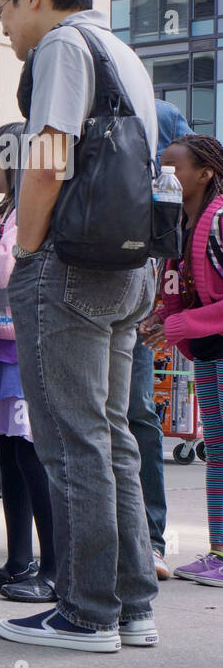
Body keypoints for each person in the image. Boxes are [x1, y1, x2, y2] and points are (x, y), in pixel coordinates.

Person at [0, 0, 159, 652]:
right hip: (127, 269)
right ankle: (131, 605)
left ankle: (87, 611)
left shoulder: (61, 46)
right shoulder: (124, 53)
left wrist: (26, 250)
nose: (3, 29)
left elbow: (49, 156)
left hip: (69, 268)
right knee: (112, 436)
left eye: (3, 10)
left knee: (70, 441)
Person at [0, 122, 57, 603]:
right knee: (7, 453)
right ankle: (18, 560)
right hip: (1, 346)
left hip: (26, 346)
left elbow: (4, 269)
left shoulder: (30, 211)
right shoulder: (5, 210)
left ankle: (53, 566)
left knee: (31, 456)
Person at [141, 134, 223, 586]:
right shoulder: (180, 225)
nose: (162, 174)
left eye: (172, 167)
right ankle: (218, 552)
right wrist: (159, 319)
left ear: (205, 173)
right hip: (210, 354)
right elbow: (181, 294)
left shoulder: (219, 221)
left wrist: (176, 327)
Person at [131, 99, 194, 581]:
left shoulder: (160, 116)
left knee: (138, 415)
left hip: (141, 295)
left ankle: (150, 539)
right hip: (96, 280)